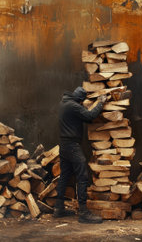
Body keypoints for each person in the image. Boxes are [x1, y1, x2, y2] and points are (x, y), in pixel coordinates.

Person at [54, 86, 107, 223]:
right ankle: (83, 213)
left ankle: (58, 208)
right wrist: (100, 102)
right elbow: (90, 116)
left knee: (65, 175)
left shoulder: (64, 103)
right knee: (82, 175)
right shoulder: (73, 106)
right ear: (80, 100)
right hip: (72, 145)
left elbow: (83, 118)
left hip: (64, 145)